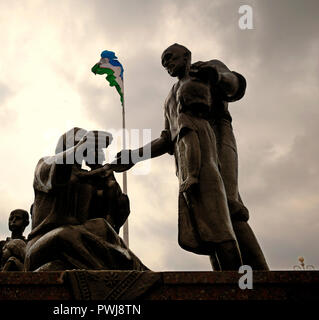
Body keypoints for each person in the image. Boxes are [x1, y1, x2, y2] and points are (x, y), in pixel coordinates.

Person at [114, 43, 268, 270]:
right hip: (186, 154)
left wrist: (216, 76)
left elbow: (236, 86)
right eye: (163, 62)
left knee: (227, 204)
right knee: (205, 217)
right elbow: (167, 139)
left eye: (170, 57)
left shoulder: (205, 70)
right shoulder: (169, 99)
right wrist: (134, 156)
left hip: (216, 135)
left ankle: (260, 277)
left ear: (186, 56)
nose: (167, 63)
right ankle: (226, 277)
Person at [24, 127, 147, 271]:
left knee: (100, 226)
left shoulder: (88, 180)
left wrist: (105, 170)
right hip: (42, 246)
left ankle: (137, 272)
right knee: (65, 235)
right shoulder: (45, 165)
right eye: (79, 143)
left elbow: (113, 214)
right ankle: (107, 276)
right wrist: (84, 143)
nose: (84, 149)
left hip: (76, 240)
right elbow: (59, 171)